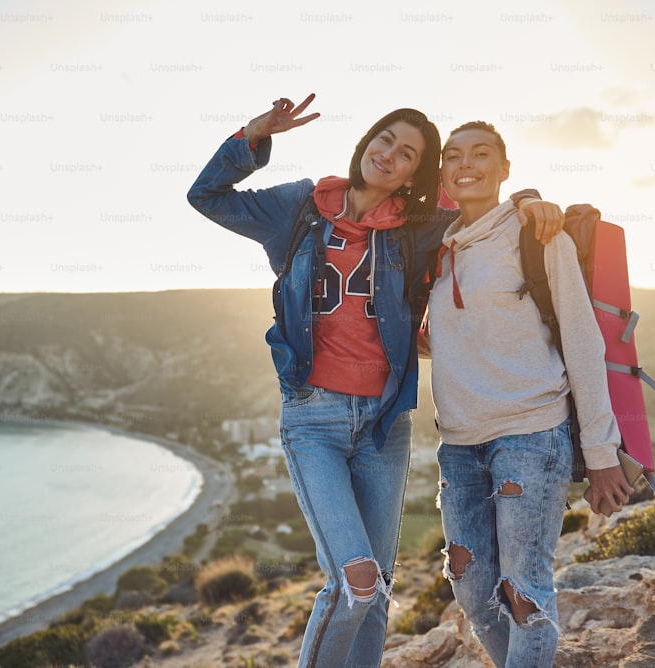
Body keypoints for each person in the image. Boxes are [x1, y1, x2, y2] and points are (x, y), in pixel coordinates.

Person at [187, 95, 563, 667]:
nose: (390, 154)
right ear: (367, 141)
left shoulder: (416, 231)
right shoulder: (301, 206)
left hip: (385, 426)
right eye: (385, 138)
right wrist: (253, 138)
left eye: (408, 153)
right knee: (355, 582)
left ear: (418, 173)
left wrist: (529, 201)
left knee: (379, 589)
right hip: (315, 419)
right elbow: (206, 196)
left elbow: (480, 210)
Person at [427, 121, 634, 668]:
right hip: (458, 447)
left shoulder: (538, 234)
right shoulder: (437, 249)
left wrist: (601, 452)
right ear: (443, 172)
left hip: (531, 438)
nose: (465, 163)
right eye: (454, 155)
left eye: (481, 153)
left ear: (504, 169)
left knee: (524, 591)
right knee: (473, 592)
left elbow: (583, 342)